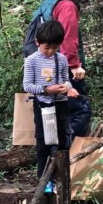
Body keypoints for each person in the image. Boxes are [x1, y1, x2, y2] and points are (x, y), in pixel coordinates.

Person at [32, 0, 99, 140]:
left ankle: (52, 150)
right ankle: (70, 149)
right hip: (63, 68)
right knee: (80, 110)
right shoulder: (67, 5)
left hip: (44, 67)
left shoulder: (50, 1)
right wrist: (75, 66)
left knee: (52, 110)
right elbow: (68, 38)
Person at [24, 19, 79, 193]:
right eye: (47, 48)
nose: (50, 52)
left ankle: (62, 178)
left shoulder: (61, 59)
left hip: (60, 105)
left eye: (55, 48)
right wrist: (47, 90)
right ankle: (43, 180)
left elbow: (66, 80)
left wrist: (69, 89)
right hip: (42, 106)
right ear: (37, 43)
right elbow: (27, 86)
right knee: (43, 143)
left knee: (63, 141)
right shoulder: (32, 61)